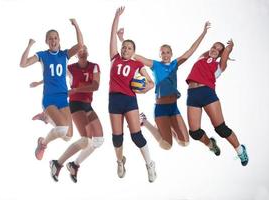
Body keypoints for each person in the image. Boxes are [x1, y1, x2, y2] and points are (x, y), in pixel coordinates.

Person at [120, 22, 210, 150]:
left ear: (171, 54)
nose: (165, 55)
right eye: (163, 53)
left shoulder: (175, 64)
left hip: (173, 108)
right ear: (159, 55)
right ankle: (145, 122)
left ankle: (165, 127)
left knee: (184, 142)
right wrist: (122, 40)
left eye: (168, 52)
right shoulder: (155, 65)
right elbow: (136, 56)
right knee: (166, 146)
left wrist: (204, 33)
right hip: (161, 108)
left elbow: (190, 51)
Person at [20, 19, 83, 160]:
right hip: (49, 98)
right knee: (61, 129)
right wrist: (29, 45)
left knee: (68, 136)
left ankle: (45, 118)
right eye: (50, 39)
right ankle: (43, 143)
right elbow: (23, 64)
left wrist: (76, 26)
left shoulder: (64, 55)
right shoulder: (42, 55)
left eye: (55, 38)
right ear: (46, 41)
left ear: (59, 40)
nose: (53, 41)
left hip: (63, 98)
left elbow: (80, 45)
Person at [109, 7, 156, 183]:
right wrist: (116, 17)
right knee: (117, 138)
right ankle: (120, 161)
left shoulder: (137, 64)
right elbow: (112, 35)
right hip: (114, 100)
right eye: (124, 47)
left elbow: (150, 82)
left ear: (133, 50)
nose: (125, 49)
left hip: (129, 100)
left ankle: (150, 165)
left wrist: (147, 88)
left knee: (136, 136)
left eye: (129, 48)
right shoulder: (114, 58)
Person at [186, 39, 249, 166]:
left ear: (221, 54)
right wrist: (213, 47)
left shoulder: (220, 66)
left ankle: (240, 150)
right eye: (214, 47)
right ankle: (211, 144)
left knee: (221, 129)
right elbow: (208, 50)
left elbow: (224, 55)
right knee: (194, 132)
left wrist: (229, 48)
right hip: (192, 95)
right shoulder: (201, 58)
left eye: (219, 50)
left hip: (207, 93)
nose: (215, 49)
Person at [49, 45, 104, 183]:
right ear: (76, 55)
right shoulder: (70, 68)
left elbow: (95, 86)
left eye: (84, 49)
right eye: (79, 51)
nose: (82, 52)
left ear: (88, 52)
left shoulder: (94, 66)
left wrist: (76, 89)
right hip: (76, 104)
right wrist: (41, 82)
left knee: (98, 140)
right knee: (86, 140)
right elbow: (55, 76)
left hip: (87, 104)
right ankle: (57, 163)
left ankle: (74, 164)